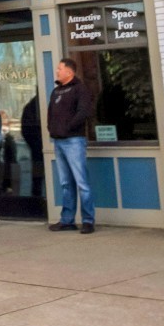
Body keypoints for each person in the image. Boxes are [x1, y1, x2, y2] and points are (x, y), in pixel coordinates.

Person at [47, 59, 98, 233]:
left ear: (70, 72)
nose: (57, 71)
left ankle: (88, 221)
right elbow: (50, 114)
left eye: (60, 68)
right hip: (58, 141)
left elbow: (83, 112)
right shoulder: (56, 91)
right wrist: (52, 129)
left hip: (74, 141)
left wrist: (67, 128)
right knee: (65, 183)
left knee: (82, 182)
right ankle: (67, 220)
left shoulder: (79, 89)